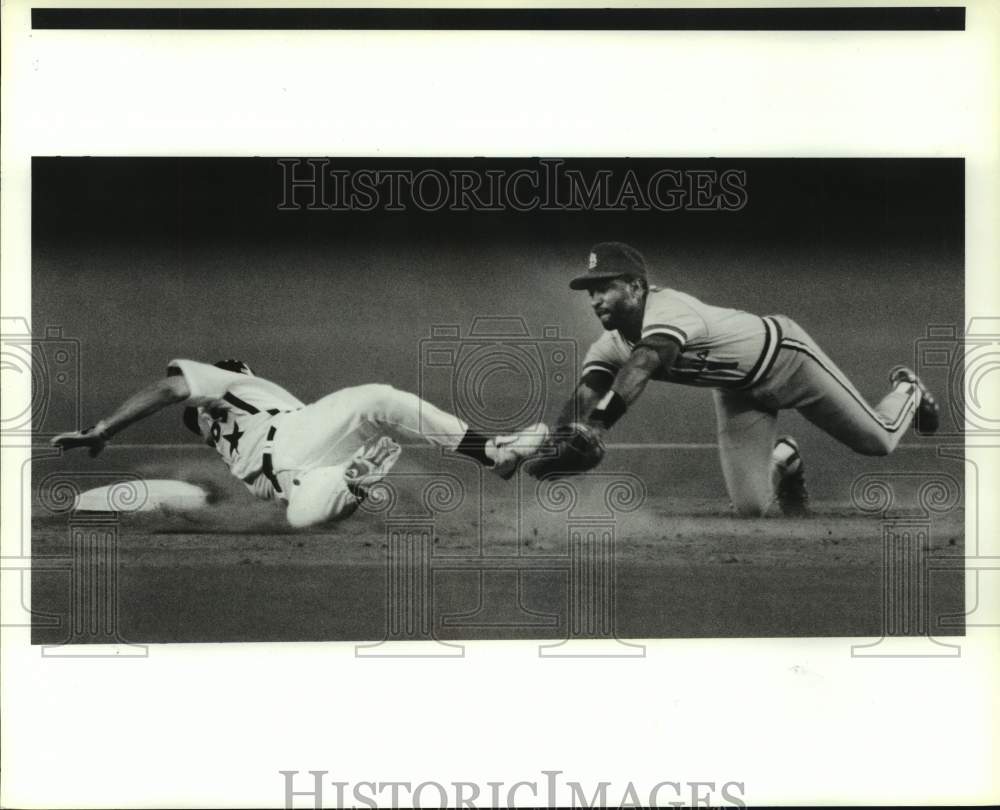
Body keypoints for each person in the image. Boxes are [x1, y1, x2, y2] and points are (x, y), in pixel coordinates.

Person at [531, 241, 940, 516]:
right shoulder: (607, 346)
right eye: (590, 292)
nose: (595, 298)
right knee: (752, 509)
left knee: (879, 440)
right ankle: (786, 459)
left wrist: (598, 427)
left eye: (604, 287)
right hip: (738, 393)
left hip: (789, 360)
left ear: (636, 287)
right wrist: (553, 441)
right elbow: (585, 394)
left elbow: (641, 366)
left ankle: (907, 391)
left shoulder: (668, 310)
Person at [51, 359, 548, 527]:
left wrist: (104, 430)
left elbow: (171, 392)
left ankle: (492, 452)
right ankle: (351, 482)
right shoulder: (222, 401)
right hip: (289, 474)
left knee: (374, 399)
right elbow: (174, 395)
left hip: (291, 440)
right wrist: (104, 430)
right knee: (303, 516)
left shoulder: (225, 396)